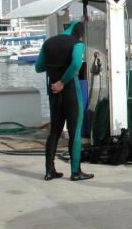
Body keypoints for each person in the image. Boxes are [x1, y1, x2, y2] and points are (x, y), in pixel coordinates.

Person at [35, 21, 94, 181]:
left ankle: (49, 170)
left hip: (53, 92)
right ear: (79, 32)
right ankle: (75, 172)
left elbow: (38, 67)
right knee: (75, 132)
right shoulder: (76, 44)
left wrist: (55, 72)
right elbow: (76, 63)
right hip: (70, 92)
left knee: (54, 131)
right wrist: (62, 81)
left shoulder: (48, 43)